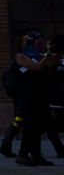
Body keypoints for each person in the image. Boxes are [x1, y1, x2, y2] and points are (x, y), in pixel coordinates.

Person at [12, 31, 57, 166]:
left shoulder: (39, 55)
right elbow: (36, 67)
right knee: (30, 126)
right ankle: (23, 154)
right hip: (28, 96)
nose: (39, 43)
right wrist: (47, 56)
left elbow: (49, 67)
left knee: (39, 126)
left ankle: (36, 154)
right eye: (36, 41)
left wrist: (52, 55)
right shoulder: (21, 56)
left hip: (40, 94)